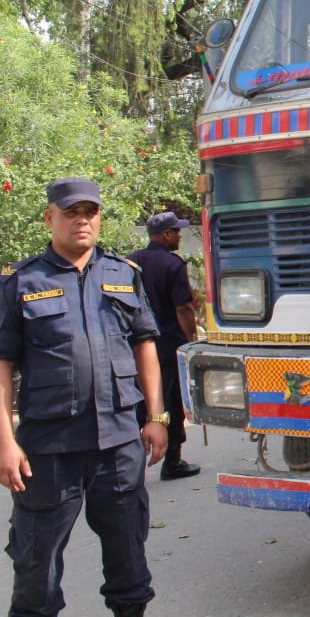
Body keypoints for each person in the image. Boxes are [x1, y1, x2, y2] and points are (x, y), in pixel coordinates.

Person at [0, 178, 168, 617]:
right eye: (71, 212)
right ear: (49, 217)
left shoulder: (123, 274)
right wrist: (4, 442)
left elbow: (145, 346)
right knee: (36, 567)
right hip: (49, 449)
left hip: (119, 443)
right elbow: (2, 365)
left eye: (90, 212)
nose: (82, 221)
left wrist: (157, 417)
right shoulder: (21, 281)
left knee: (129, 560)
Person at [128, 211, 200, 481]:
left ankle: (130, 462)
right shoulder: (173, 264)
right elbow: (183, 308)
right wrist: (192, 341)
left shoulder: (131, 262)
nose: (180, 236)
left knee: (139, 402)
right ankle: (173, 461)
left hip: (137, 346)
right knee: (171, 402)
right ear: (166, 235)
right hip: (168, 345)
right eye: (177, 232)